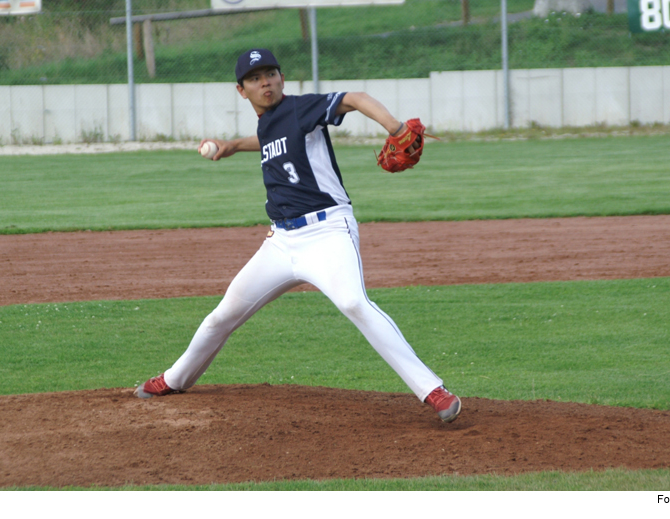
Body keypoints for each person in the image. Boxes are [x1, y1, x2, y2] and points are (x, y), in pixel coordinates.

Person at [134, 48, 461, 423]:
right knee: (221, 315)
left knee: (354, 303)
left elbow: (354, 99)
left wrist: (395, 127)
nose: (265, 82)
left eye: (271, 73)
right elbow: (266, 139)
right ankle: (173, 379)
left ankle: (432, 390)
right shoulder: (269, 123)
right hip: (280, 244)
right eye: (255, 78)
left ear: (282, 78)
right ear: (242, 91)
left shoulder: (301, 108)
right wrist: (232, 147)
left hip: (327, 234)